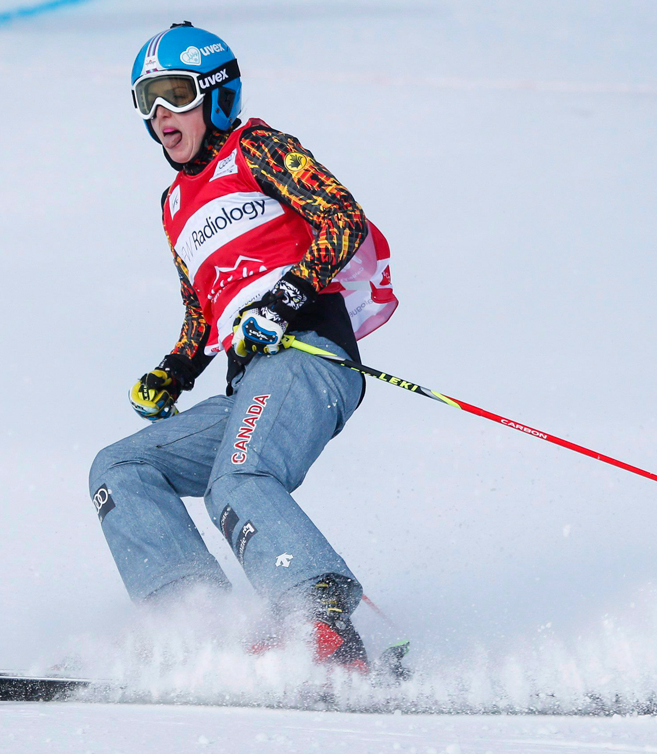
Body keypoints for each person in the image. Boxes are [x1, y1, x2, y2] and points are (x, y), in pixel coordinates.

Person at [88, 22, 397, 672]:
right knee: (121, 470)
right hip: (248, 380)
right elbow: (203, 313)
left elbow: (342, 219)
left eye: (173, 94)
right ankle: (196, 626)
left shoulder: (258, 150)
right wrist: (172, 372)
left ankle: (324, 627)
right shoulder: (175, 204)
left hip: (309, 352)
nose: (160, 115)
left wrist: (282, 303)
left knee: (239, 478)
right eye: (146, 100)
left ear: (216, 95)